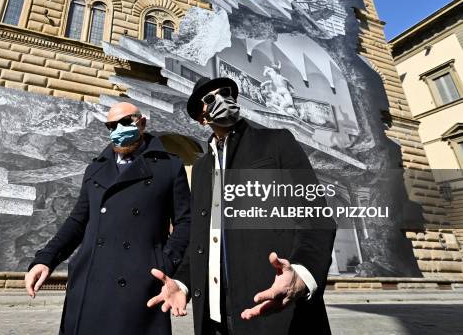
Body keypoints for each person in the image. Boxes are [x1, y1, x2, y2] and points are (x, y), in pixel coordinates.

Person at [148, 77, 336, 335]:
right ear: (201, 118)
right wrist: (183, 282)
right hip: (215, 317)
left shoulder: (276, 142)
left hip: (275, 309)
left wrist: (303, 273)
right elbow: (200, 238)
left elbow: (315, 212)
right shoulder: (202, 169)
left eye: (225, 93)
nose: (222, 100)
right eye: (211, 99)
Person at [25, 102, 191, 335]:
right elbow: (77, 221)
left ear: (142, 123)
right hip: (89, 281)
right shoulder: (95, 169)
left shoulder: (169, 166)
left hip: (141, 283)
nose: (118, 129)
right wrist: (46, 259)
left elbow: (185, 222)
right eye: (112, 125)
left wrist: (165, 262)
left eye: (125, 122)